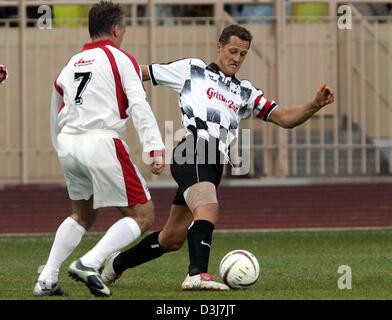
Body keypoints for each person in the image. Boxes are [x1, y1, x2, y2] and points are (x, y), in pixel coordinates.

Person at [100, 24, 335, 291]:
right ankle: (197, 275)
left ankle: (115, 265)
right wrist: (106, 67)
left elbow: (284, 118)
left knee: (172, 238)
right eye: (232, 50)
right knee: (208, 209)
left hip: (215, 161)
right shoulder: (193, 70)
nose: (236, 58)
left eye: (243, 54)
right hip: (194, 147)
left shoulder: (246, 92)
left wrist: (314, 105)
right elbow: (140, 72)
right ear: (219, 47)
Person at [33, 1, 165, 297]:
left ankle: (47, 279)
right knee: (143, 214)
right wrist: (154, 146)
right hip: (102, 141)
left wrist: (61, 149)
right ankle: (88, 263)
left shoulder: (71, 63)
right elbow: (139, 103)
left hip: (69, 143)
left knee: (83, 214)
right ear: (117, 29)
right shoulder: (121, 58)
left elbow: (56, 108)